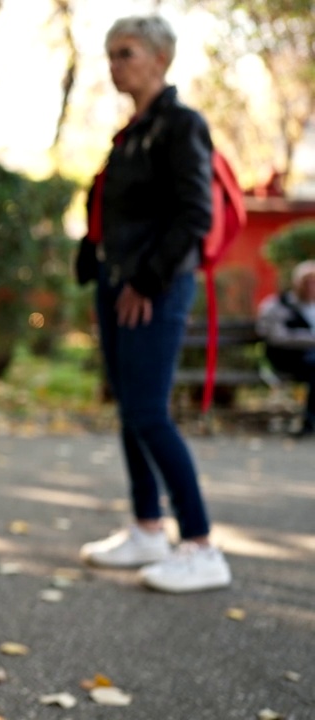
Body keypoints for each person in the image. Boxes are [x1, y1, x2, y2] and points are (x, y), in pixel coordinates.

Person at [74, 15, 231, 593]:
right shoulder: (131, 132)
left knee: (149, 413)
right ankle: (146, 528)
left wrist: (147, 279)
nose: (115, 64)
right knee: (130, 410)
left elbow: (195, 213)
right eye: (111, 54)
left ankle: (201, 545)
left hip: (155, 289)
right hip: (119, 286)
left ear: (160, 59)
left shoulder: (180, 124)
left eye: (126, 53)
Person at [256, 260, 315, 437]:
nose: (312, 286)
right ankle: (309, 420)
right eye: (308, 281)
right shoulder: (276, 305)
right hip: (288, 359)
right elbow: (277, 337)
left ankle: (309, 421)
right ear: (297, 283)